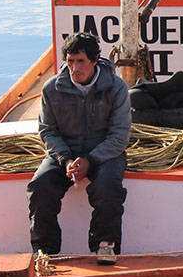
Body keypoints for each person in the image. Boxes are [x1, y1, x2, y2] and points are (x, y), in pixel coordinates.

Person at [27, 32, 131, 265]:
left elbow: (119, 135)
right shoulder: (51, 89)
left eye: (81, 61)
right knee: (40, 186)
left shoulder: (116, 88)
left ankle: (105, 245)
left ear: (95, 61)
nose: (75, 68)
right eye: (70, 61)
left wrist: (91, 160)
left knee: (108, 187)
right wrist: (65, 160)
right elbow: (47, 131)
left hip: (106, 153)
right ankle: (45, 250)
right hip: (65, 153)